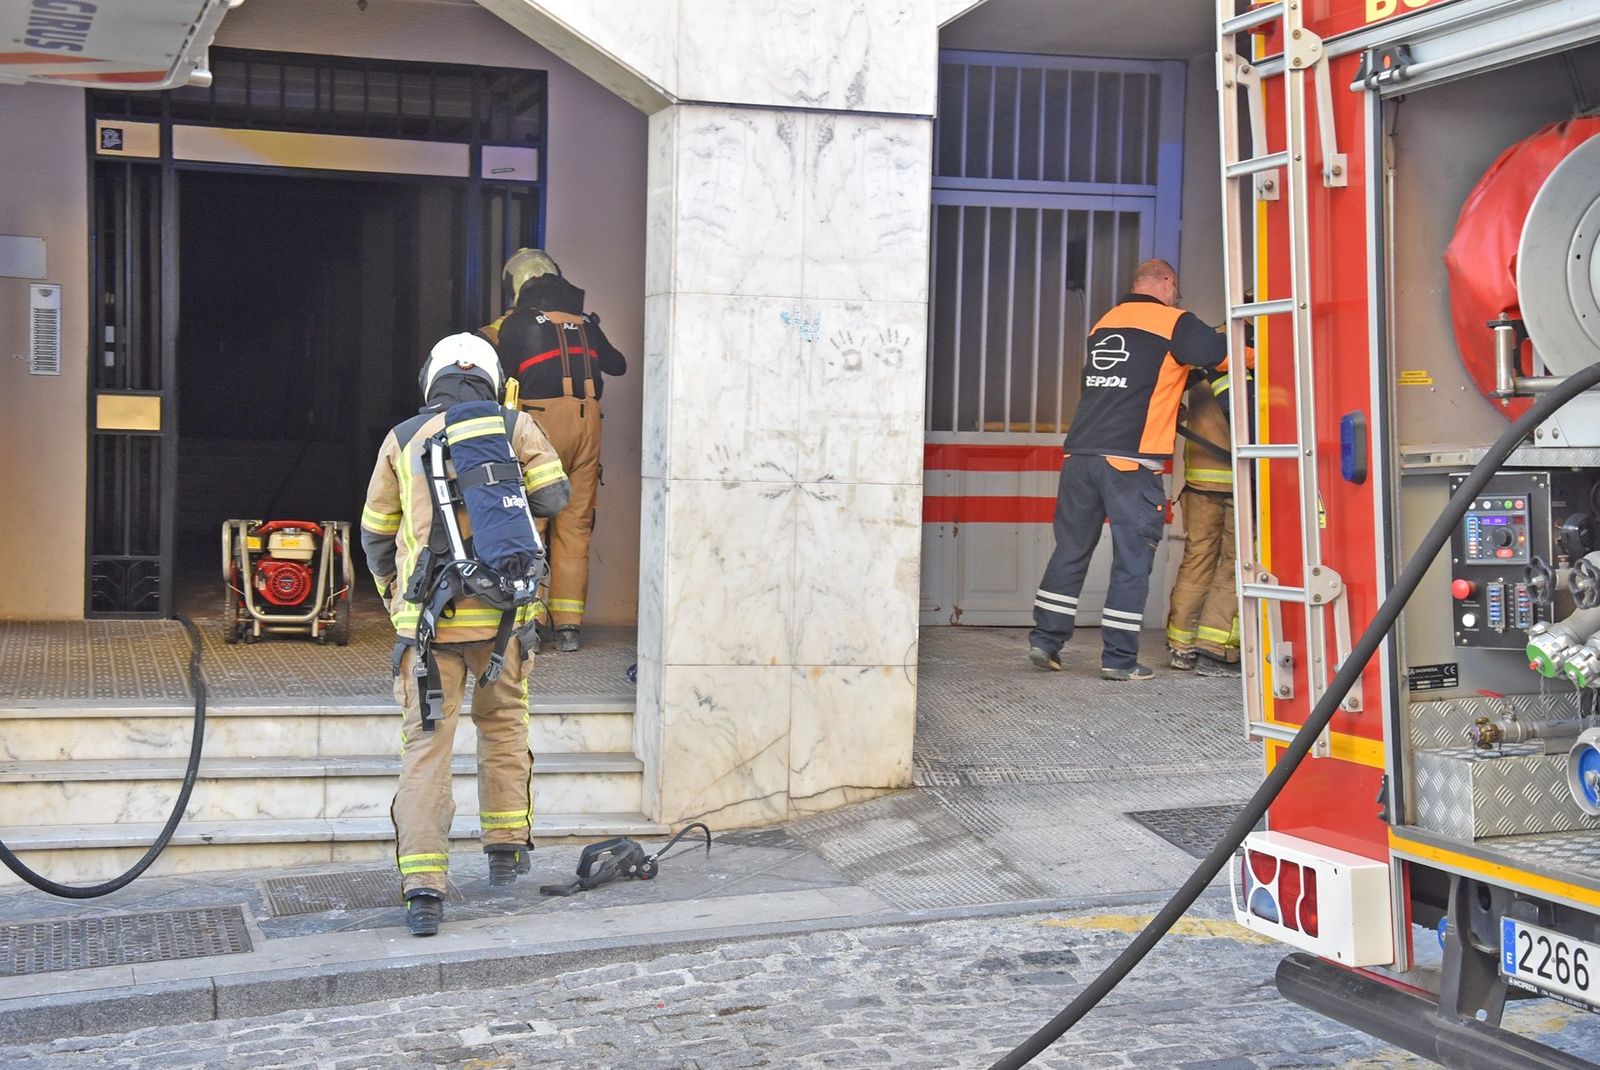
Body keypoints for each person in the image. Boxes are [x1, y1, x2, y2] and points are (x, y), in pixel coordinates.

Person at [360, 333, 571, 936]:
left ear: (429, 380)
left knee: (427, 747)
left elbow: (377, 533)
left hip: (428, 625)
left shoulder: (401, 438)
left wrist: (398, 602)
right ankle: (507, 850)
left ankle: (424, 887)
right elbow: (557, 497)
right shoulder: (514, 425)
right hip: (506, 619)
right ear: (491, 376)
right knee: (504, 726)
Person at [1027, 259, 1228, 681]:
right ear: (1169, 284)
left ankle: (1046, 641)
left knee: (1070, 550)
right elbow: (1218, 355)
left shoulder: (1106, 322)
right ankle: (1119, 660)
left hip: (1080, 456)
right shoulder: (1175, 321)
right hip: (1130, 463)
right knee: (1132, 561)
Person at [492, 249, 627, 653]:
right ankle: (568, 627)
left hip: (541, 426)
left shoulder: (516, 324)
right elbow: (618, 366)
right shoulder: (585, 323)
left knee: (532, 524)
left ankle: (528, 622)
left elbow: (500, 375)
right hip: (588, 427)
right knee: (575, 526)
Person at [1165, 372, 1242, 676]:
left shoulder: (1200, 352)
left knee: (1198, 556)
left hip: (1199, 478)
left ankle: (1180, 644)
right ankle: (1216, 648)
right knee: (1236, 561)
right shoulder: (1247, 349)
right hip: (1238, 478)